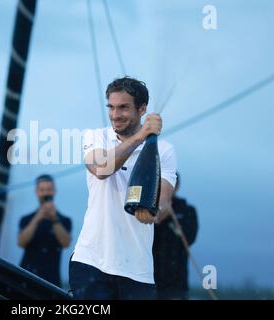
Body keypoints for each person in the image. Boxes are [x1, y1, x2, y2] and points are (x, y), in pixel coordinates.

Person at [69, 76, 177, 299]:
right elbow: (101, 169)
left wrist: (154, 213)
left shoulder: (165, 150)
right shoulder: (96, 136)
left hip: (138, 272)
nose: (115, 115)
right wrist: (141, 136)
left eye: (124, 108)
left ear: (142, 109)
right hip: (91, 263)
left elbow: (165, 202)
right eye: (111, 107)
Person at [18, 174, 72, 287]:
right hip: (26, 277)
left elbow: (66, 243)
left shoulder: (65, 220)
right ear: (37, 192)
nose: (46, 193)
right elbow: (21, 242)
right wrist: (38, 217)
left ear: (54, 191)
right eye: (42, 190)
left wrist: (54, 219)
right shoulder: (26, 219)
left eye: (49, 190)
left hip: (51, 281)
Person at [153, 172, 198, 300]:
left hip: (177, 279)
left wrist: (172, 221)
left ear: (177, 186)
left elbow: (190, 238)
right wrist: (160, 217)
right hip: (151, 278)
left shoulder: (187, 211)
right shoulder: (149, 209)